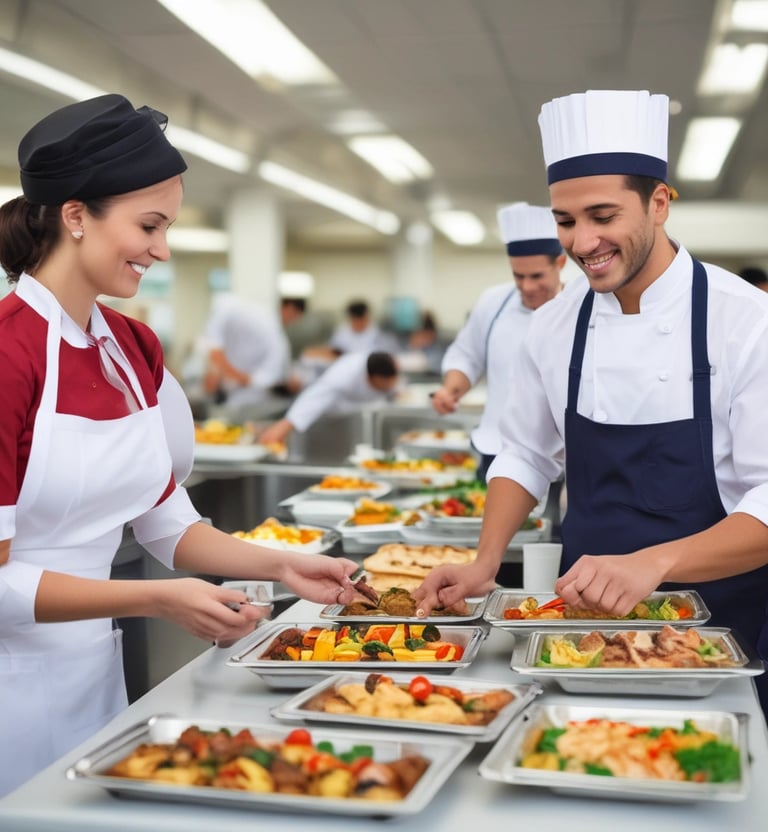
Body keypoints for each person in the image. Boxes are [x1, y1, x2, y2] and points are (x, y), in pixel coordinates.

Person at [0, 93, 361, 797]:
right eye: (149, 225)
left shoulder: (131, 347)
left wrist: (286, 565)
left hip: (96, 679)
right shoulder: (9, 354)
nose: (162, 250)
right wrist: (158, 600)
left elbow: (169, 525)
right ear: (75, 216)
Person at [413, 89, 768, 717]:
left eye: (603, 216)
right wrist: (485, 560)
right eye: (566, 220)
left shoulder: (744, 321)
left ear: (659, 203)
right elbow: (525, 452)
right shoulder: (556, 325)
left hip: (719, 635)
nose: (582, 242)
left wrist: (655, 564)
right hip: (581, 629)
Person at [431, 202, 565, 482]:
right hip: (498, 450)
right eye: (519, 276)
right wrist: (452, 388)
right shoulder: (494, 302)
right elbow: (467, 355)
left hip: (565, 457)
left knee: (555, 527)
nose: (527, 286)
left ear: (560, 263)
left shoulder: (579, 305)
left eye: (537, 276)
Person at [258, 351, 400, 446]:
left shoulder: (386, 366)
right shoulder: (344, 374)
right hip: (334, 421)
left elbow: (395, 390)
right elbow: (315, 398)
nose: (389, 386)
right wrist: (285, 425)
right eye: (385, 383)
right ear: (370, 377)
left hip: (366, 418)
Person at [202, 291, 290, 410]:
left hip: (250, 399)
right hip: (243, 393)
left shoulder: (275, 342)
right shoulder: (231, 312)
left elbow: (215, 354)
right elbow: (215, 353)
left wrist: (227, 374)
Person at [328, 299, 399, 355]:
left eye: (361, 321)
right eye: (355, 321)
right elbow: (334, 351)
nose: (358, 324)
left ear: (366, 318)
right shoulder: (342, 332)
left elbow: (390, 352)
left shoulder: (379, 333)